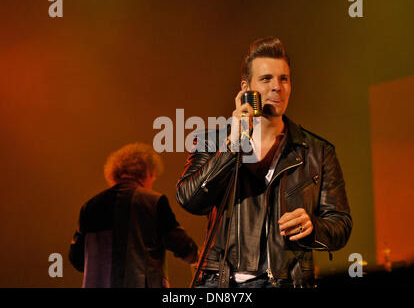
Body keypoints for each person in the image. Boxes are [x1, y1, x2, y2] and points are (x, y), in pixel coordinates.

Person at [176, 37, 352, 288]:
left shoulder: (318, 151)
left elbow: (340, 225)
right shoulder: (213, 141)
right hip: (222, 284)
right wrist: (232, 146)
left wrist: (312, 228)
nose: (277, 87)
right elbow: (190, 199)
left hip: (287, 281)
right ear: (246, 88)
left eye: (284, 79)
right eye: (266, 79)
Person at [69, 142, 198, 288]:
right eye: (153, 177)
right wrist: (197, 257)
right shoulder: (153, 201)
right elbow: (181, 245)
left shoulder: (89, 207)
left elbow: (77, 260)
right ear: (147, 173)